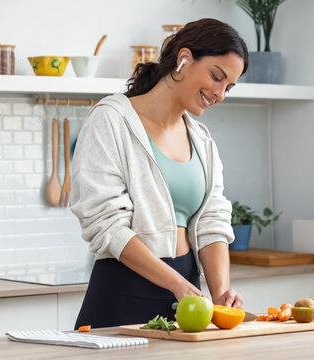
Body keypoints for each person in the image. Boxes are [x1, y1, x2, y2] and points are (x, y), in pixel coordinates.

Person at [70, 18, 249, 328]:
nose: (220, 93)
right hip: (124, 295)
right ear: (183, 59)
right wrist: (176, 284)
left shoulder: (202, 139)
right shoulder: (111, 120)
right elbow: (106, 224)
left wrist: (220, 295)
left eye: (228, 87)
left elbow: (212, 220)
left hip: (188, 301)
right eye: (216, 77)